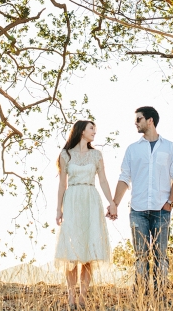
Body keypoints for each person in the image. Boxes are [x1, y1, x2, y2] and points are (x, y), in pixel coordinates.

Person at [110, 106, 173, 297]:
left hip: (161, 210)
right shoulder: (132, 150)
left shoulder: (170, 147)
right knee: (140, 256)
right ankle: (140, 296)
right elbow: (124, 178)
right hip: (138, 210)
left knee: (161, 256)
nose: (136, 123)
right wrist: (114, 203)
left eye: (139, 119)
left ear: (150, 120)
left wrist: (170, 203)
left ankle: (160, 296)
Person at [55, 120, 117, 309]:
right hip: (72, 200)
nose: (94, 132)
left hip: (91, 199)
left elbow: (104, 181)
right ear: (81, 131)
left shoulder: (96, 155)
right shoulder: (66, 155)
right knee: (72, 250)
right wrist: (59, 209)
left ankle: (83, 296)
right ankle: (71, 296)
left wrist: (112, 202)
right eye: (92, 129)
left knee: (89, 248)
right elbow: (62, 184)